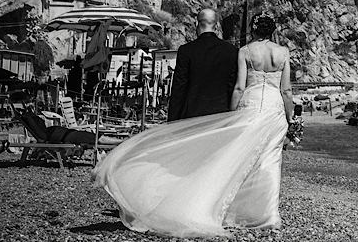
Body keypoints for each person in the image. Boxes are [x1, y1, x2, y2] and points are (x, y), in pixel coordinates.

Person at [93, 13, 290, 237]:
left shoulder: (228, 51)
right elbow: (283, 90)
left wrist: (174, 122)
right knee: (264, 162)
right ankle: (265, 213)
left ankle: (189, 203)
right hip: (265, 110)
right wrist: (290, 117)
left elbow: (229, 88)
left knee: (205, 164)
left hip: (221, 111)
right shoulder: (241, 51)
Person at [167, 8, 239, 121]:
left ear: (197, 24)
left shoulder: (186, 50)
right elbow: (232, 86)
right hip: (221, 115)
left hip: (192, 115)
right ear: (216, 25)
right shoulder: (231, 51)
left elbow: (179, 88)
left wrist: (172, 120)